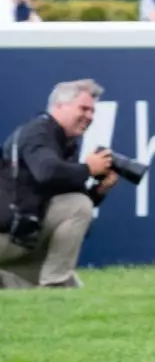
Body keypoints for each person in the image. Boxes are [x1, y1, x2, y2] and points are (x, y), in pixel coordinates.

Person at [0, 79, 120, 289]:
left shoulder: (63, 142)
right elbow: (48, 172)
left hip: (21, 236)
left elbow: (72, 207)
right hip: (8, 235)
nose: (89, 116)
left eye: (92, 111)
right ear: (59, 106)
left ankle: (9, 282)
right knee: (78, 205)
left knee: (73, 291)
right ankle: (54, 284)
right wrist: (88, 169)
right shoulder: (37, 133)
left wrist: (100, 190)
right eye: (83, 109)